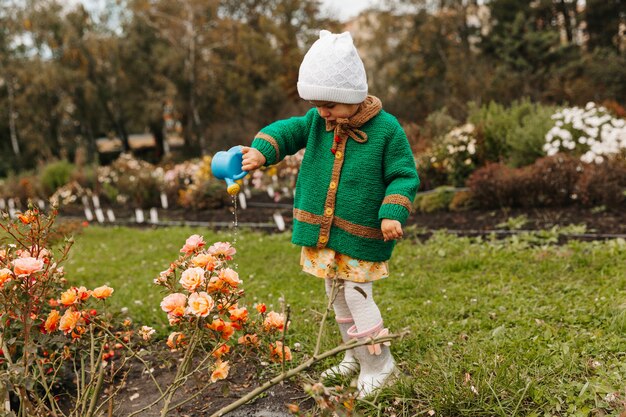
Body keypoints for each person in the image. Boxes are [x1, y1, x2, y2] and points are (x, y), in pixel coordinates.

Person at [241, 30, 419, 398]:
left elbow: (403, 175)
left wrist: (392, 212)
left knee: (356, 293)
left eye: (330, 105)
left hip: (362, 232)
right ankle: (352, 355)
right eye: (317, 103)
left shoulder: (386, 130)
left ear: (352, 96)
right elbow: (285, 132)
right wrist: (262, 151)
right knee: (335, 293)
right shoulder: (318, 122)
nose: (322, 112)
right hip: (325, 234)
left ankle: (380, 364)